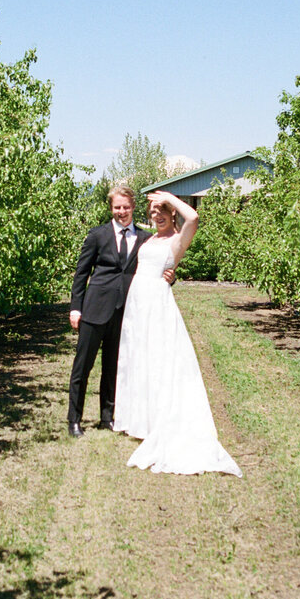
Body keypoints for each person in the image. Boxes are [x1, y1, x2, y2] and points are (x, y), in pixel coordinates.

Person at [114, 190, 242, 476]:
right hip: (138, 303)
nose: (156, 217)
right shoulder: (149, 238)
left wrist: (170, 196)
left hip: (157, 304)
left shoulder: (177, 239)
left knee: (161, 360)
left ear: (172, 213)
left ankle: (161, 420)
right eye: (153, 214)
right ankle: (140, 421)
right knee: (139, 358)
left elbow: (194, 217)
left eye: (162, 213)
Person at [67, 185, 153, 438]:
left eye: (126, 207)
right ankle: (74, 420)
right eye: (117, 207)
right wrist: (75, 308)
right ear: (111, 208)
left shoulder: (146, 239)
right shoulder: (97, 236)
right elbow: (81, 274)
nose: (122, 211)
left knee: (114, 368)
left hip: (126, 313)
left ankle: (108, 417)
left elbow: (155, 269)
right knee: (82, 368)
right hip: (94, 311)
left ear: (133, 207)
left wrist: (169, 277)